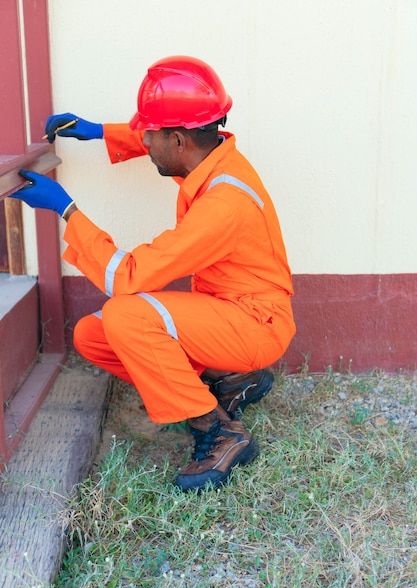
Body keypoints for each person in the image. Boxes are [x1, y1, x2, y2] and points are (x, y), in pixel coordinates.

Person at [11, 55, 295, 492]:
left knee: (128, 314)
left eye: (149, 132)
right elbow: (166, 137)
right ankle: (226, 380)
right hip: (227, 312)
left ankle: (218, 430)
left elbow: (127, 278)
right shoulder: (211, 155)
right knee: (93, 335)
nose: (144, 139)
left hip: (255, 325)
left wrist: (66, 209)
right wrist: (99, 132)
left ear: (179, 139)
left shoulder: (222, 205)